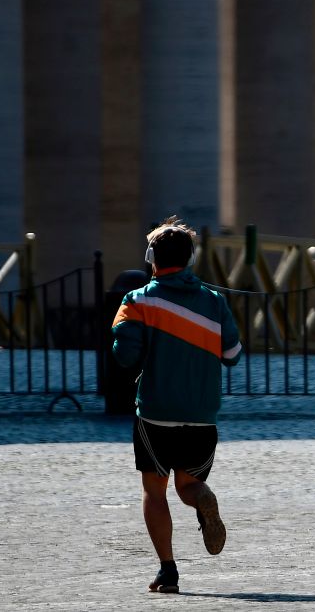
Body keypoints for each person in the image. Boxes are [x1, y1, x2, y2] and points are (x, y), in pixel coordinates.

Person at [112, 217, 242, 594]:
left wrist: (121, 326)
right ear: (189, 260)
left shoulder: (137, 301)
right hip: (202, 417)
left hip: (155, 413)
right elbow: (232, 354)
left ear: (151, 256)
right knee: (189, 484)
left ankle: (168, 570)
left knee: (155, 492)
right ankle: (203, 499)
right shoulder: (214, 302)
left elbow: (124, 356)